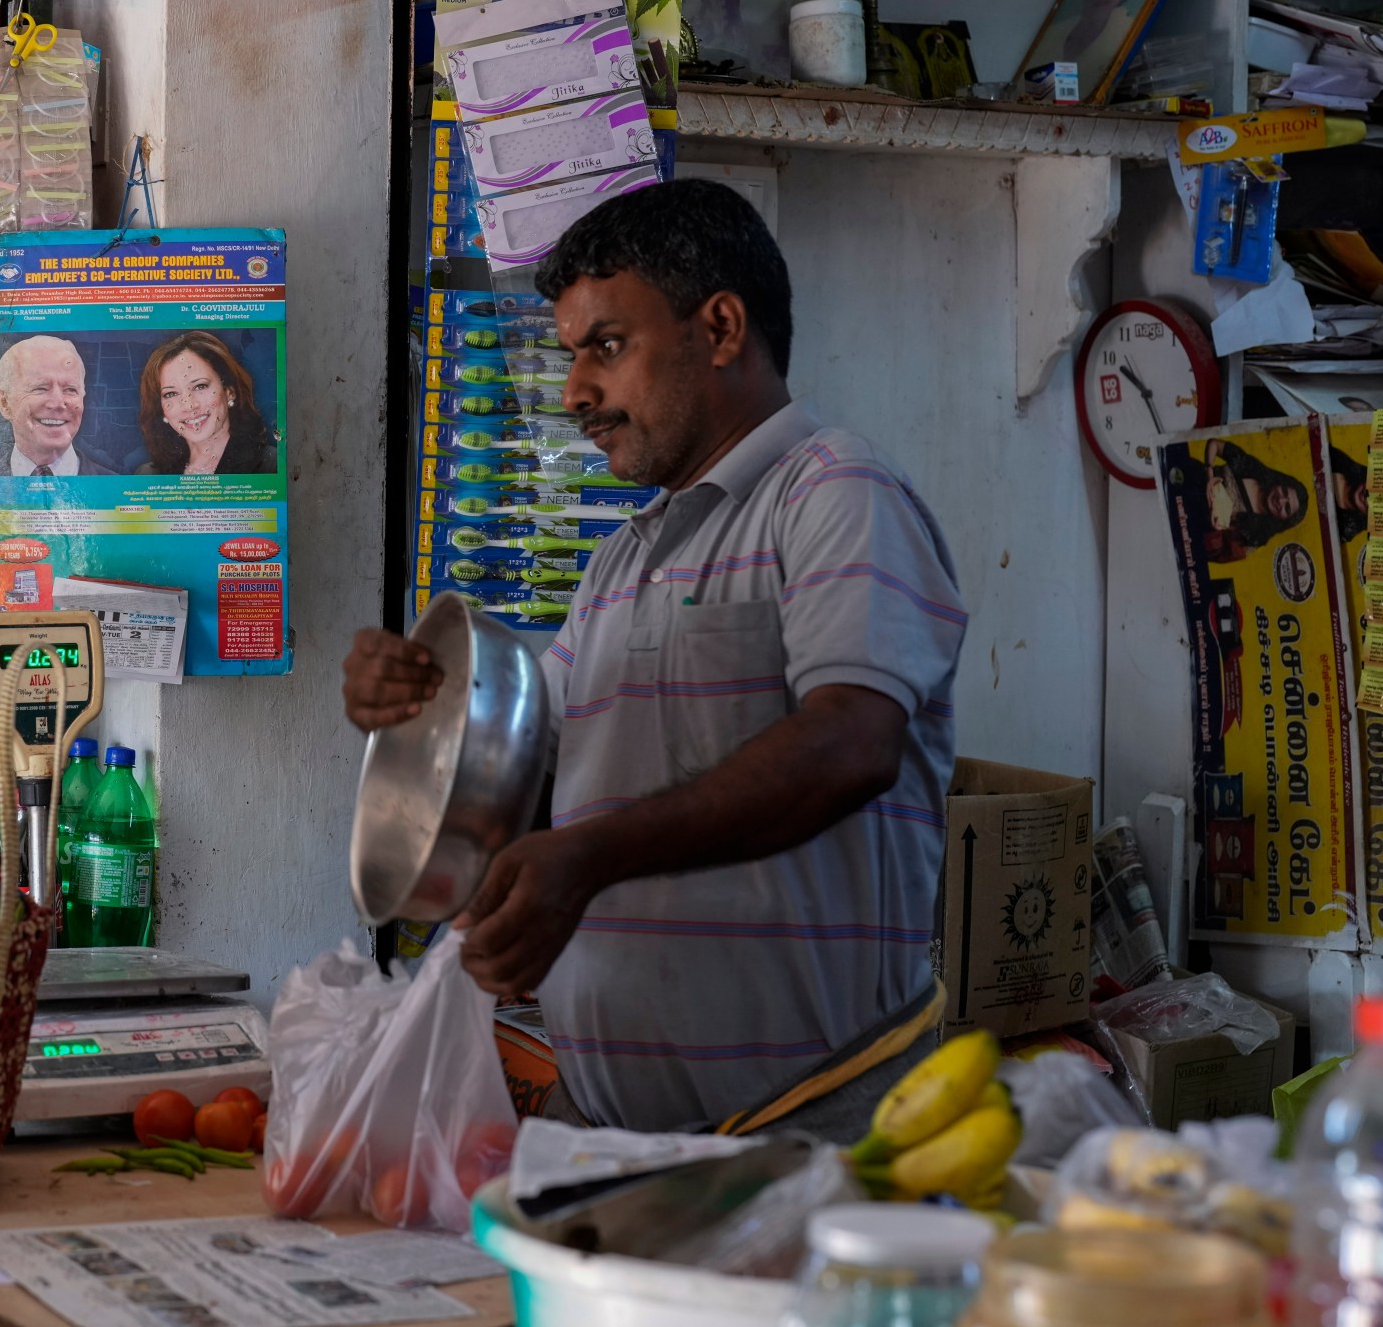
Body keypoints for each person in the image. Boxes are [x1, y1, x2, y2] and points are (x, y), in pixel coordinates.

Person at [341, 179, 969, 1136]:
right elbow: (523, 768)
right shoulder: (622, 560)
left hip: (810, 1136)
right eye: (569, 358)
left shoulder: (835, 492)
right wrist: (420, 706)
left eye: (606, 346)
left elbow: (851, 745)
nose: (574, 392)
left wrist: (590, 858)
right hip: (615, 1135)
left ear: (719, 328)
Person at [136, 329, 278, 475]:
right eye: (171, 394)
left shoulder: (271, 465)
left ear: (229, 391)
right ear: (161, 408)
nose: (189, 405)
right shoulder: (147, 475)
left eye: (200, 386)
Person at [0, 334, 91, 475]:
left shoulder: (116, 488)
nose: (57, 403)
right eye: (40, 388)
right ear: (4, 402)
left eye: (70, 389)